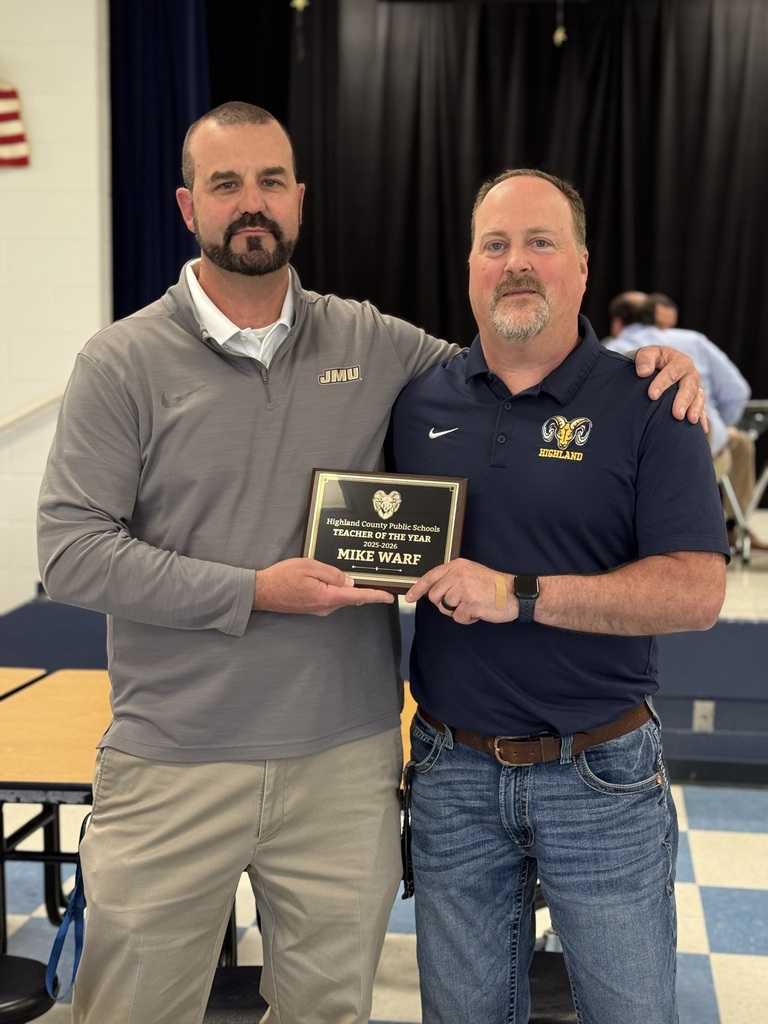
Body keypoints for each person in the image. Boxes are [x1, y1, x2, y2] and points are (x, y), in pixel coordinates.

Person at [37, 104, 704, 1024]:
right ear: (188, 206)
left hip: (345, 766)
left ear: (300, 199)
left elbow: (518, 356)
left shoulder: (374, 345)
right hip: (176, 759)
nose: (252, 202)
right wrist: (254, 591)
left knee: (329, 1013)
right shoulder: (121, 362)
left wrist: (650, 365)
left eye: (272, 181)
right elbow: (71, 553)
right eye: (226, 184)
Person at [389, 170, 729, 1024]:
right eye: (495, 244)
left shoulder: (651, 400)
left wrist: (520, 594)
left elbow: (696, 592)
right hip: (451, 773)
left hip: (602, 775)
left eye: (540, 242)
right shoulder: (417, 400)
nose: (516, 262)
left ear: (581, 266)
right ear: (471, 266)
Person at [608, 290, 766, 550]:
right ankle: (733, 529)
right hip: (704, 440)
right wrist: (719, 428)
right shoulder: (693, 340)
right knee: (737, 440)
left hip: (636, 465)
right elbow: (738, 392)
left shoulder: (607, 351)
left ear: (617, 323)